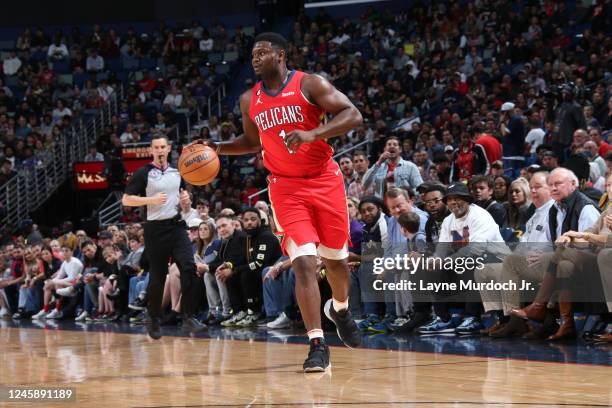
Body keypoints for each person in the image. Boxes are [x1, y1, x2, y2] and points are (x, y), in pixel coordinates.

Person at [194, 32, 362, 372]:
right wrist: (218, 147)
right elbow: (252, 142)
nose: (255, 57)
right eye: (252, 53)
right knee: (303, 261)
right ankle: (317, 343)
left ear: (280, 55)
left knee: (336, 262)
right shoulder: (248, 99)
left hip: (325, 181)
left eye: (262, 52)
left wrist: (313, 134)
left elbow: (353, 114)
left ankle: (340, 309)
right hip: (285, 188)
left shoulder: (309, 84)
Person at [122, 135, 206, 339]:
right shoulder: (144, 173)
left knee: (189, 268)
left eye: (163, 147)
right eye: (156, 147)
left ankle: (187, 315)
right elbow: (126, 199)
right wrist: (151, 199)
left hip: (177, 226)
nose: (160, 150)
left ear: (168, 149)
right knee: (158, 277)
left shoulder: (179, 171)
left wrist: (186, 200)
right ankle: (153, 318)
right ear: (152, 150)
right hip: (155, 229)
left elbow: (183, 199)